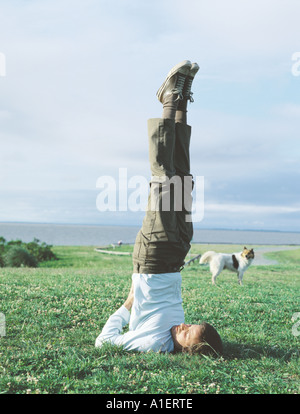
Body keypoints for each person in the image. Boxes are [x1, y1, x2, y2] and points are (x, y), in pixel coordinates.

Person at [95, 60, 223, 355]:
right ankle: (181, 101)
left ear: (189, 348)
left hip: (152, 258)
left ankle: (168, 100)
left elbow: (104, 342)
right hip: (178, 251)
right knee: (183, 179)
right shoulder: (176, 330)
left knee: (164, 180)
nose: (183, 327)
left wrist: (127, 304)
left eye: (188, 334)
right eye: (191, 325)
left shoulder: (155, 343)